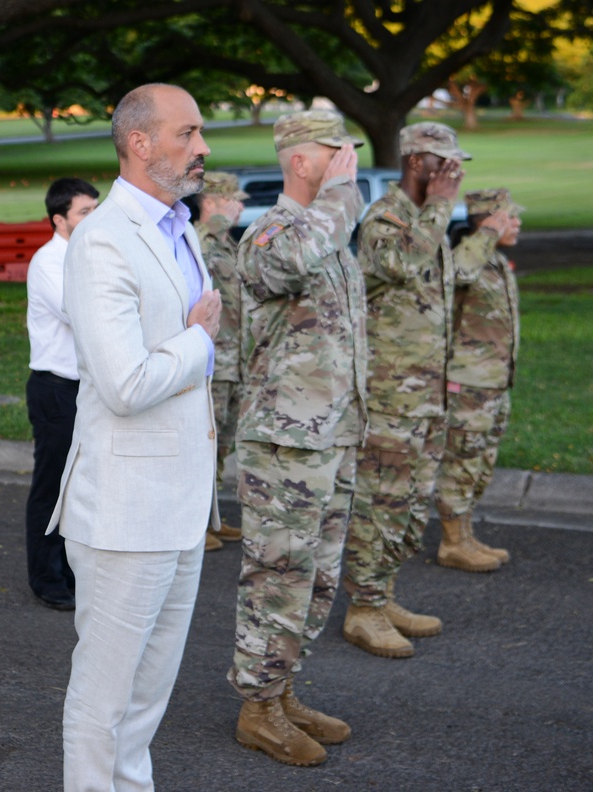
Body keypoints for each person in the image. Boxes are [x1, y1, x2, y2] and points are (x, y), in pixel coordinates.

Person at [49, 83, 222, 791]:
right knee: (107, 697)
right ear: (140, 143)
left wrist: (191, 344)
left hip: (179, 505)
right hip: (125, 510)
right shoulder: (103, 239)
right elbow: (123, 386)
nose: (202, 146)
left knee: (146, 701)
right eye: (188, 133)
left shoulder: (178, 225)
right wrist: (199, 341)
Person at [229, 110, 367, 766]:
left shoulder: (331, 236)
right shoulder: (270, 233)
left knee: (315, 578)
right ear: (301, 161)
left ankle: (281, 689)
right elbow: (290, 261)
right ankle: (258, 708)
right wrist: (342, 197)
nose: (350, 166)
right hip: (284, 444)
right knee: (278, 575)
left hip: (330, 437)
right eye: (337, 154)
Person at [341, 122, 480, 658]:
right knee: (382, 502)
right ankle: (363, 609)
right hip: (389, 398)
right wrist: (442, 205)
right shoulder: (386, 219)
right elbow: (401, 262)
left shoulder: (427, 223)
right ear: (419, 162)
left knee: (408, 505)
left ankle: (383, 594)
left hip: (423, 396)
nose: (455, 175)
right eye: (446, 165)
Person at [434, 189, 520, 570]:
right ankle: (452, 543)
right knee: (462, 461)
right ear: (489, 221)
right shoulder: (466, 258)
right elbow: (457, 275)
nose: (517, 224)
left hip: (495, 381)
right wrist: (485, 234)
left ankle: (464, 535)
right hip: (468, 383)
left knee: (482, 462)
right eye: (510, 218)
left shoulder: (497, 261)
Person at [24, 177, 99, 610]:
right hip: (55, 388)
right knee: (51, 486)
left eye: (95, 209)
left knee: (83, 487)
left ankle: (72, 571)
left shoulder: (92, 255)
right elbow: (82, 313)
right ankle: (46, 578)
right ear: (59, 219)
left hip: (87, 388)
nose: (94, 218)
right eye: (84, 212)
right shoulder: (49, 261)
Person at [193, 171, 248, 552]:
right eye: (234, 201)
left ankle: (211, 517)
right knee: (204, 443)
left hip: (234, 359)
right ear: (211, 202)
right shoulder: (198, 241)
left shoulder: (227, 244)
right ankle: (197, 527)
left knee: (222, 443)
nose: (241, 207)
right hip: (213, 360)